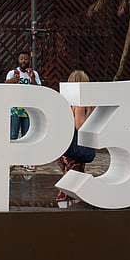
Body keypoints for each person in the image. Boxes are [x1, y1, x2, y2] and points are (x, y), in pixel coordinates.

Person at [56, 70, 96, 208]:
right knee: (73, 183)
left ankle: (67, 208)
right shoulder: (79, 104)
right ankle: (69, 210)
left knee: (70, 180)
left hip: (66, 147)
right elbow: (79, 125)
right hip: (76, 149)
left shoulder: (67, 101)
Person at [5, 50, 42, 170]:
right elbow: (5, 85)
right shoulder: (13, 72)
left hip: (29, 110)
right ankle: (11, 160)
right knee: (13, 135)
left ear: (29, 60)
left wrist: (32, 78)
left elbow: (39, 89)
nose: (23, 61)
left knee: (27, 135)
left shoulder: (34, 73)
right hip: (15, 109)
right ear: (18, 60)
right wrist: (14, 80)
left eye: (25, 59)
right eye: (21, 59)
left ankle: (26, 161)